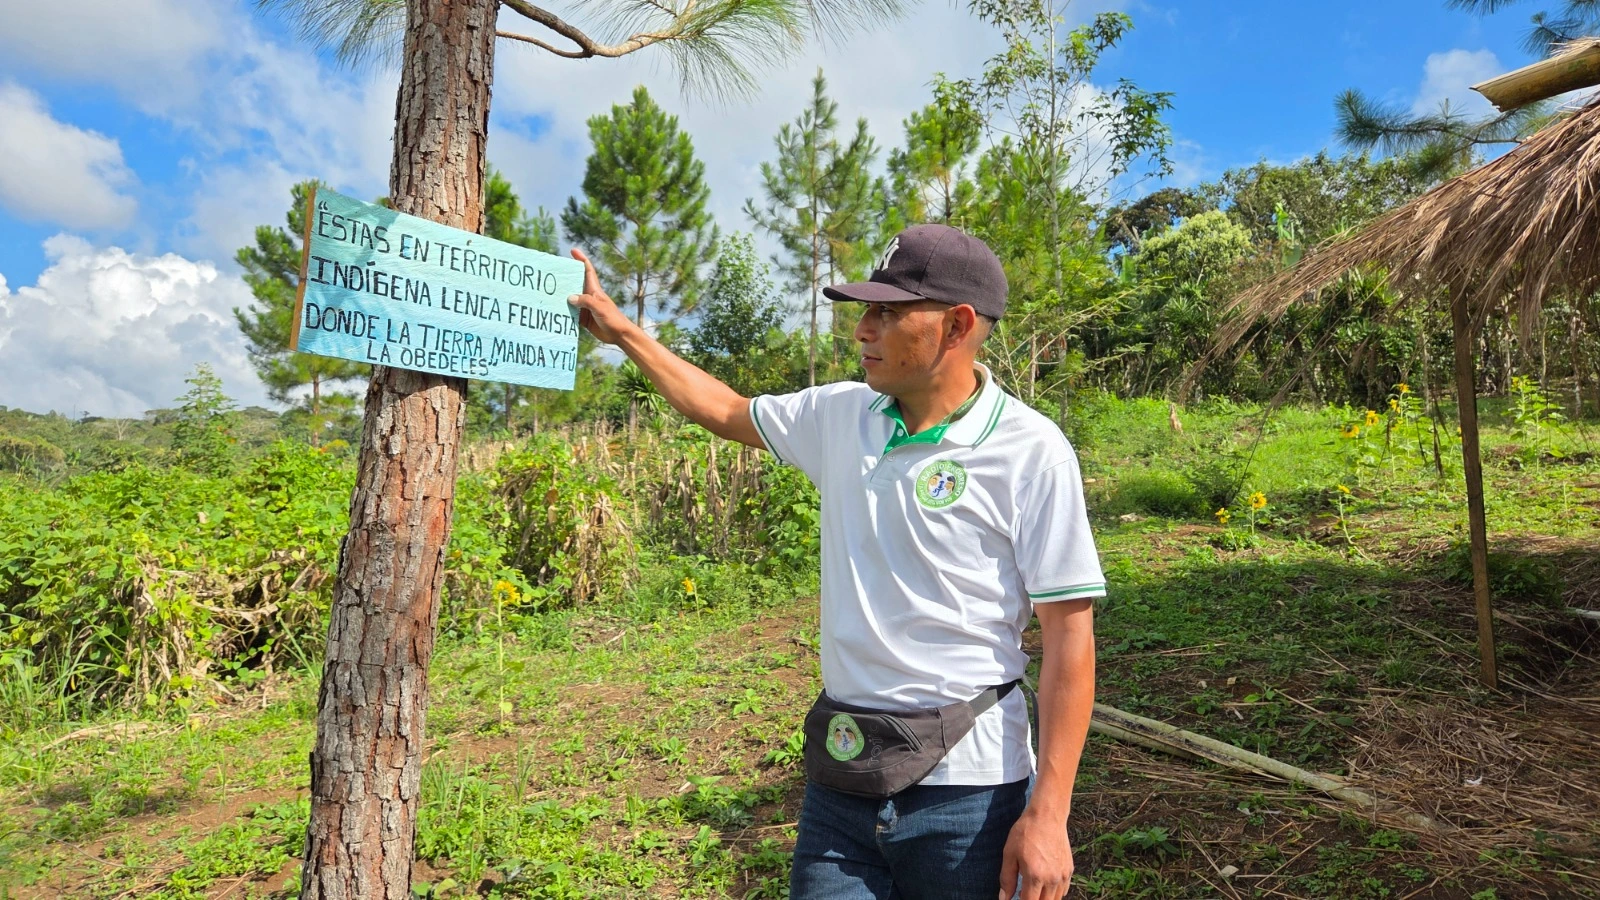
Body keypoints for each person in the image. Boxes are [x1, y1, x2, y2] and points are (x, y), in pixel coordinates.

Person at [568, 223, 1102, 900]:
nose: (863, 331)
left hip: (972, 796)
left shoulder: (1030, 451)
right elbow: (727, 410)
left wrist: (1049, 815)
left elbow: (1069, 632)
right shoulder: (842, 417)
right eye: (865, 312)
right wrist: (626, 335)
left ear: (957, 325)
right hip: (841, 783)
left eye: (888, 312)